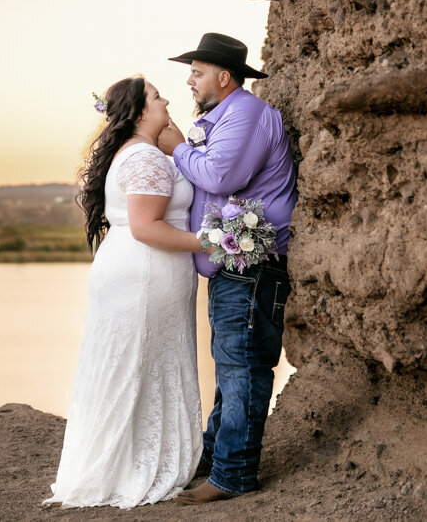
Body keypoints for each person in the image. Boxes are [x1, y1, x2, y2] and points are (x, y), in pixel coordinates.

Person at [44, 75, 204, 509]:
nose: (166, 99)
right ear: (138, 113)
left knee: (131, 362)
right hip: (146, 272)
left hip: (128, 270)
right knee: (142, 362)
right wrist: (213, 241)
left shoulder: (132, 153)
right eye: (156, 97)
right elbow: (147, 227)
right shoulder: (147, 159)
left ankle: (120, 458)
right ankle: (140, 464)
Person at [157, 32, 298, 505]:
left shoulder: (248, 113)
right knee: (232, 366)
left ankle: (233, 475)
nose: (189, 81)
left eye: (196, 72)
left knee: (244, 369)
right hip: (233, 266)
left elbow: (221, 176)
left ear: (223, 76)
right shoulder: (227, 115)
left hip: (251, 265)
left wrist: (177, 147)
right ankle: (216, 456)